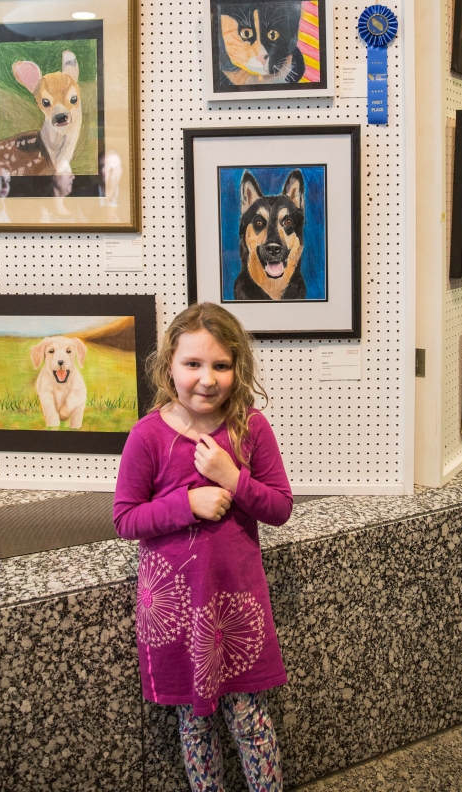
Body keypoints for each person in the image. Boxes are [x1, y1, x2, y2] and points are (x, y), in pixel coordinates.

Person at [113, 303, 292, 792]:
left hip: (236, 601)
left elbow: (279, 507)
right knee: (194, 724)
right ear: (169, 363)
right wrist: (187, 502)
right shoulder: (147, 437)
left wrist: (234, 478)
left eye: (221, 365)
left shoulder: (250, 428)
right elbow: (125, 518)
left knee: (251, 722)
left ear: (238, 370)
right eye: (193, 364)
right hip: (176, 609)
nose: (207, 379)